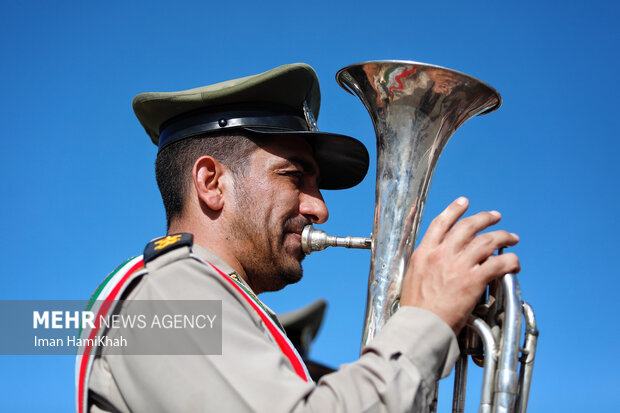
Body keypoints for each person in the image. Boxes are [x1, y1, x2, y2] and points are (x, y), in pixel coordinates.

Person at [77, 63, 520, 413]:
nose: (319, 208)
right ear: (212, 183)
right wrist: (427, 322)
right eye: (294, 175)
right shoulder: (170, 294)